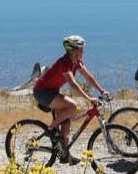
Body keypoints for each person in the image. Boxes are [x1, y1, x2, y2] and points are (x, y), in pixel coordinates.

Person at [32, 34, 110, 164]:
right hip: (42, 92)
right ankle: (50, 129)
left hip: (52, 92)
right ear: (73, 50)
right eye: (81, 48)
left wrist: (102, 90)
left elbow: (89, 77)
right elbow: (73, 84)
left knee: (66, 122)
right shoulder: (65, 63)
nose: (83, 51)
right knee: (72, 106)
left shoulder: (76, 62)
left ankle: (64, 153)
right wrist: (89, 98)